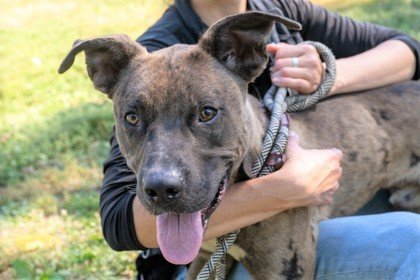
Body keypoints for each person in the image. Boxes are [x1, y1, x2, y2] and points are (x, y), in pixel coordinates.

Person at [99, 0, 420, 279]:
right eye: (134, 119)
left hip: (360, 180)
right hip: (197, 257)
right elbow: (117, 221)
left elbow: (408, 51)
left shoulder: (275, 9)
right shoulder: (149, 60)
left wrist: (329, 75)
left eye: (206, 113)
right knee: (410, 241)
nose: (164, 172)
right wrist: (284, 191)